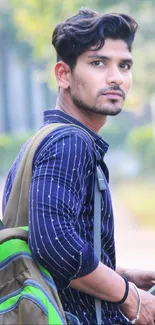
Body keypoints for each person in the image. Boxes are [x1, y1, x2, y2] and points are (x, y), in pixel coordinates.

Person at [2, 7, 155, 325]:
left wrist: (120, 277)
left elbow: (46, 247)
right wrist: (130, 297)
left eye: (124, 65)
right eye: (98, 63)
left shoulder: (42, 142)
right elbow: (54, 244)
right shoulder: (69, 143)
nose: (115, 77)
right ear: (63, 74)